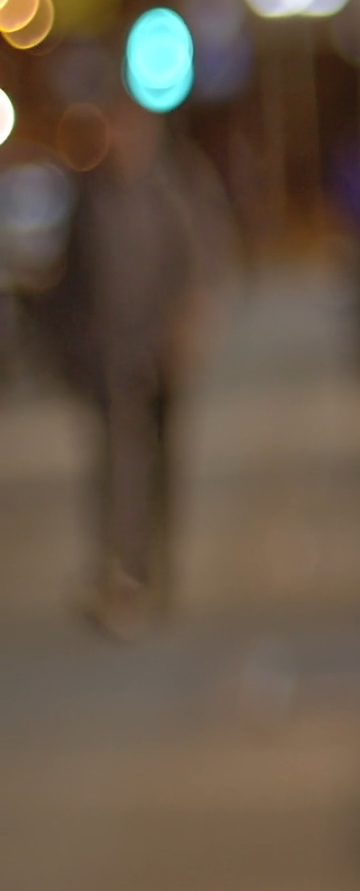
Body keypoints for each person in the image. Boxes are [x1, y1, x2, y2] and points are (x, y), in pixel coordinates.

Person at [48, 100, 234, 634]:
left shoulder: (171, 191)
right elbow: (69, 281)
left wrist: (185, 331)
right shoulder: (90, 199)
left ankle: (153, 565)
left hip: (158, 358)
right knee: (114, 466)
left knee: (159, 465)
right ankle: (118, 569)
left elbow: (199, 265)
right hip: (107, 359)